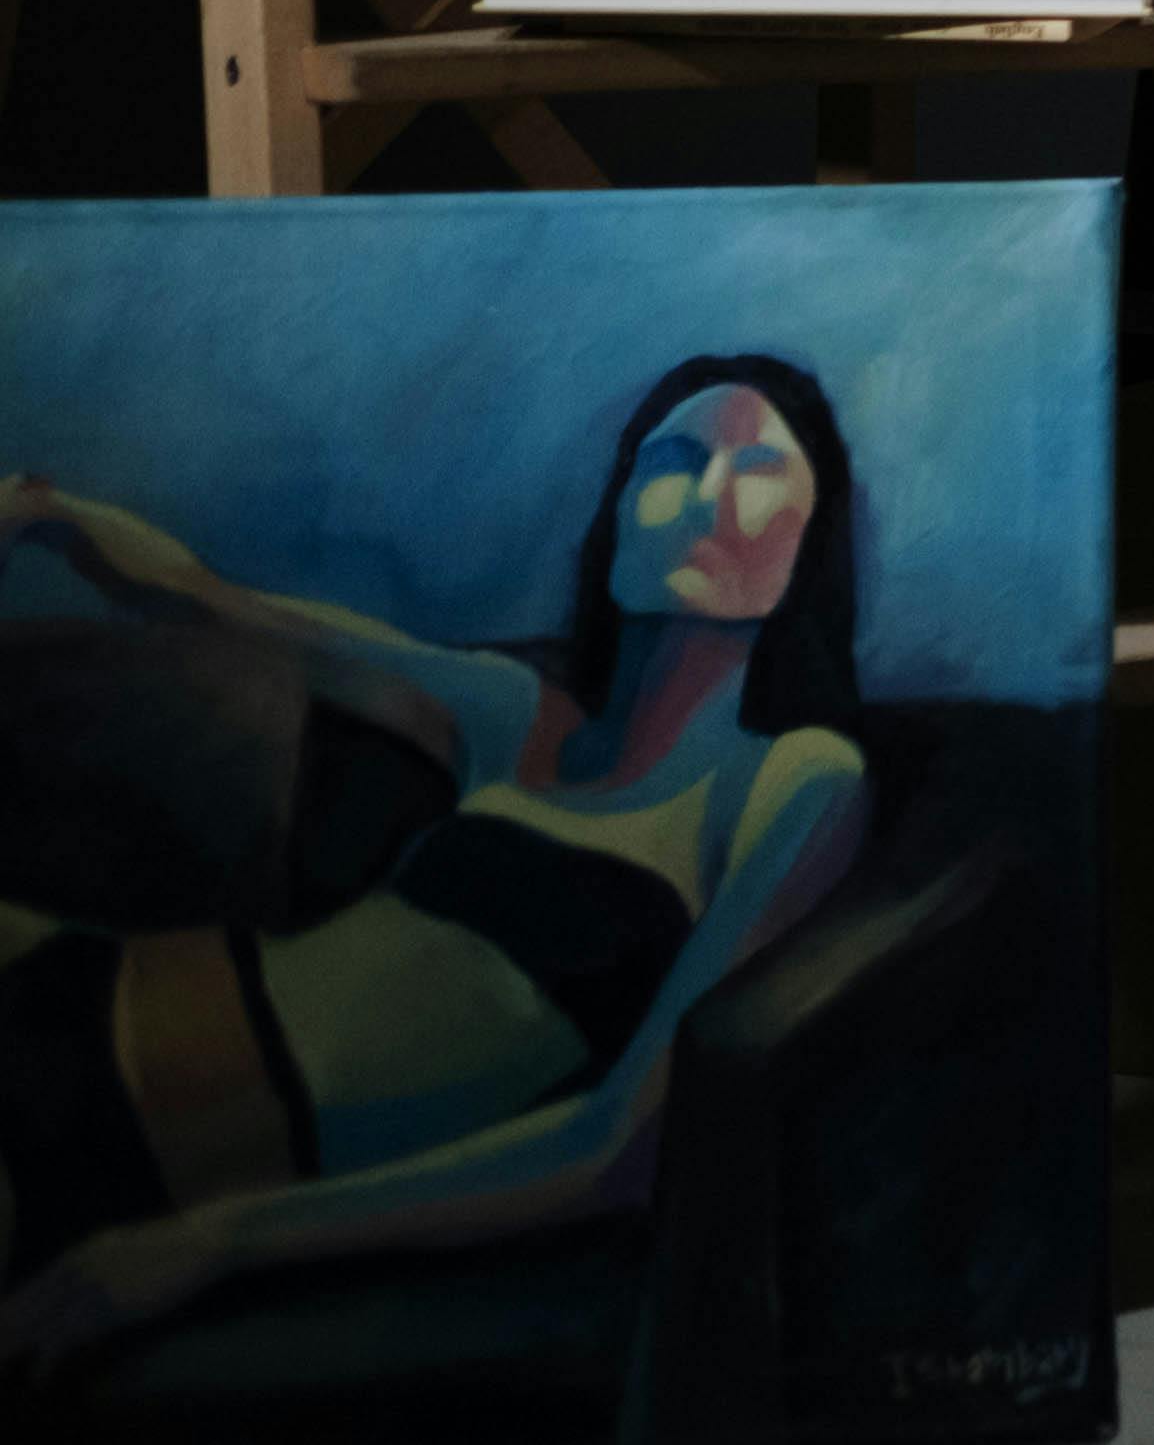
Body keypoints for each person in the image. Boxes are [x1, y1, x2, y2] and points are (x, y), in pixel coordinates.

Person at [1, 362, 873, 1372]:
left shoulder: (799, 780)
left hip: (168, 1140)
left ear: (810, 542)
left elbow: (617, 1146)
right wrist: (43, 511)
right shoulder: (515, 714)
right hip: (85, 996)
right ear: (622, 513)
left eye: (760, 467)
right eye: (675, 459)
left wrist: (215, 1237)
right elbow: (206, 597)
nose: (712, 494)